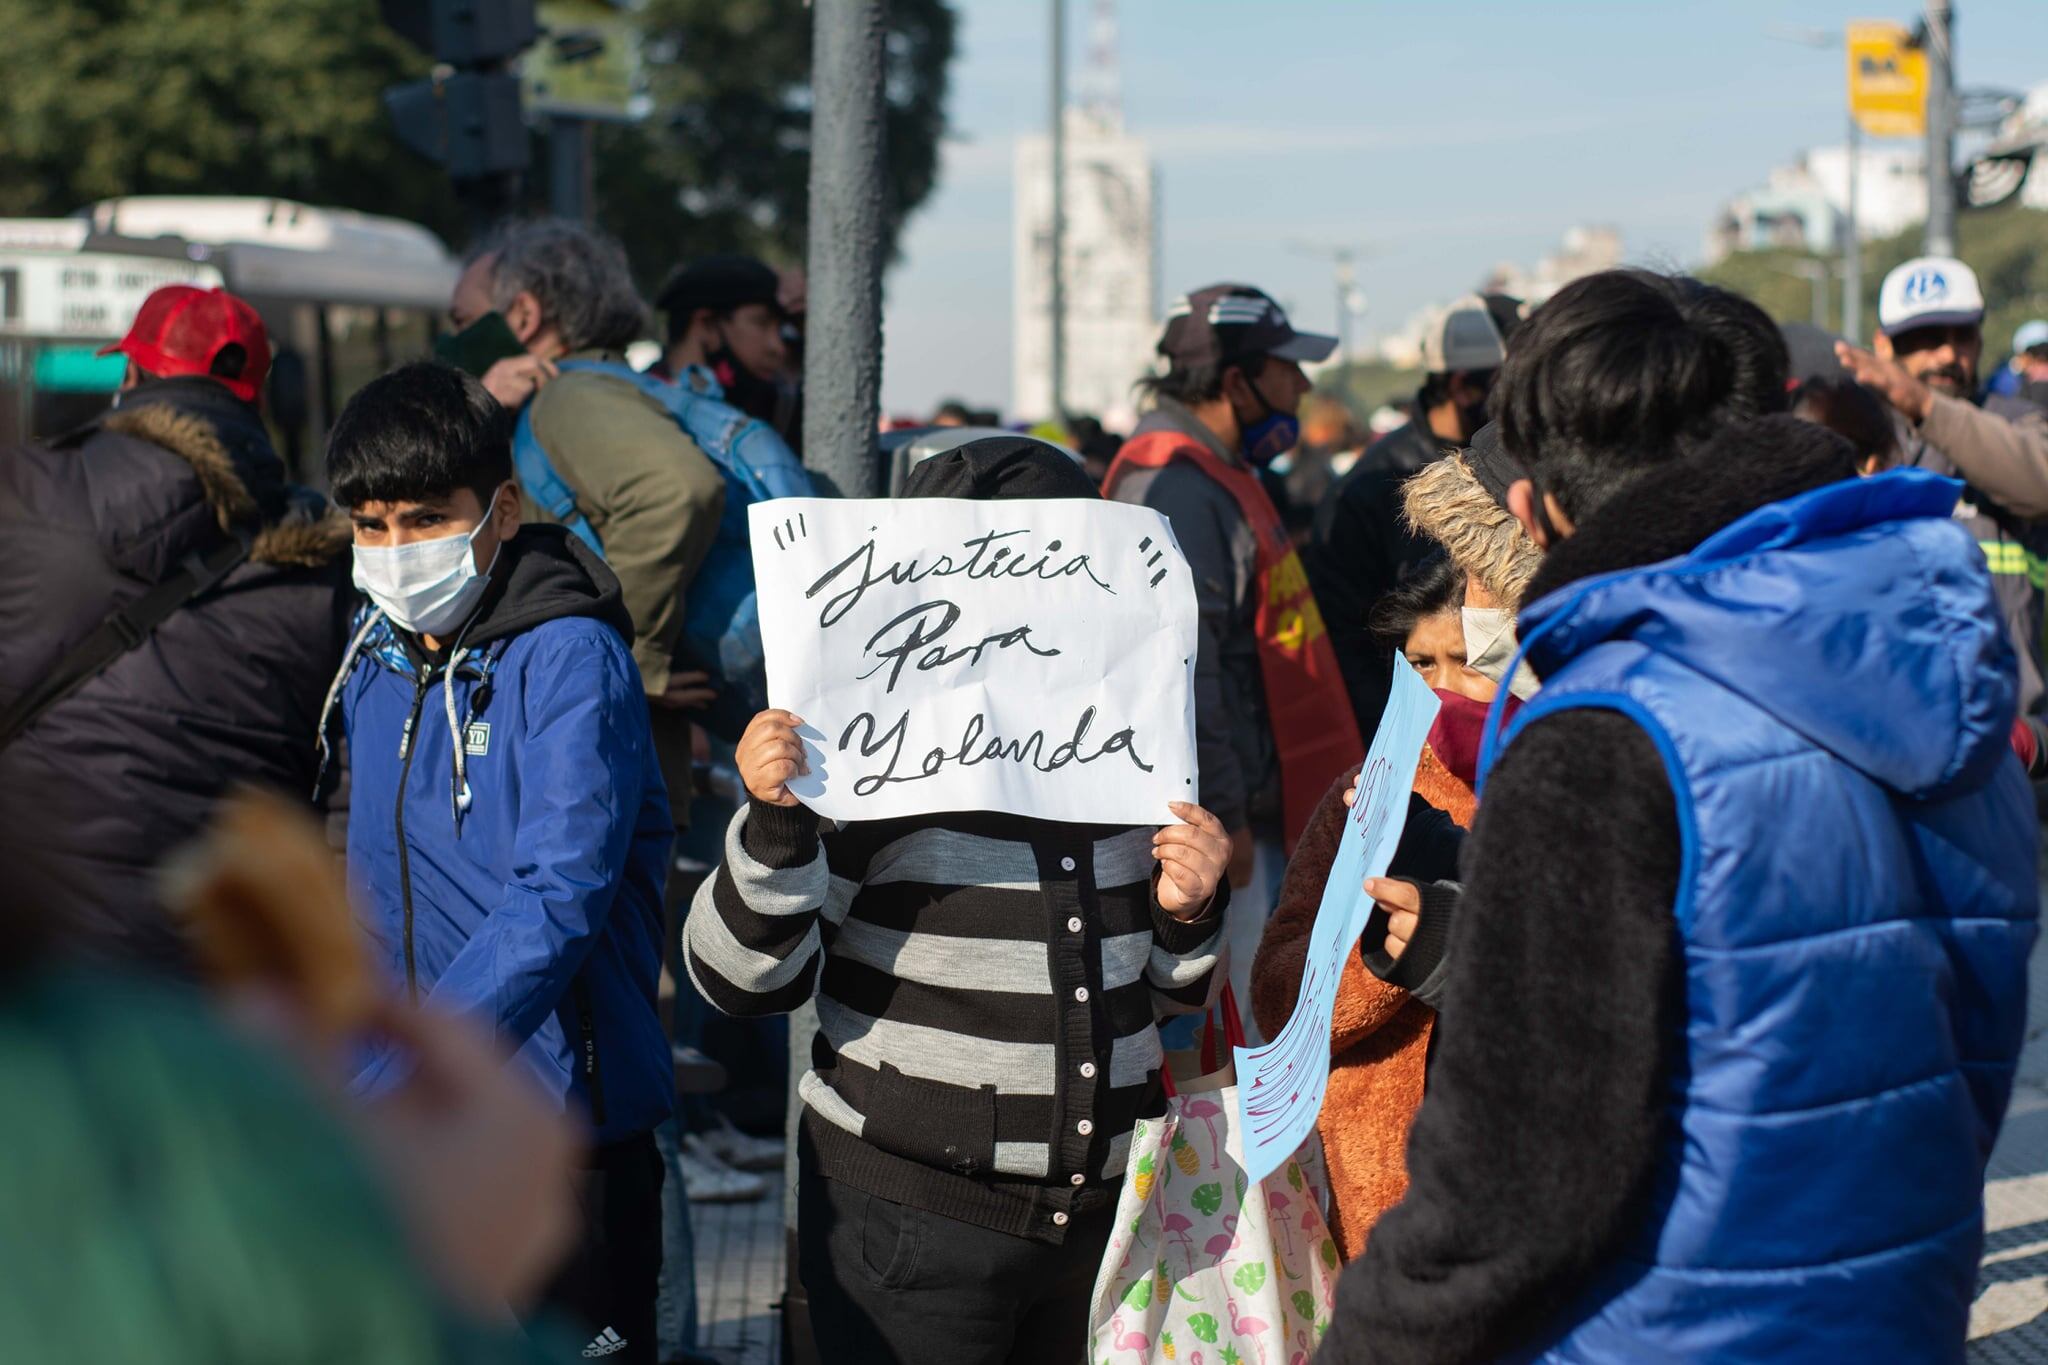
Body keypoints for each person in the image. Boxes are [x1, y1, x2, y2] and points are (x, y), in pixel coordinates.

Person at [1322, 269, 2037, 1364]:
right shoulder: (1948, 677)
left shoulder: (1605, 732)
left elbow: (1519, 1174)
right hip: (1898, 1304)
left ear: (1534, 511)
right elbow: (1963, 1050)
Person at [685, 436, 1233, 1365]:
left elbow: (1170, 998)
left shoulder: (1133, 764)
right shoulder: (868, 759)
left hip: (1099, 1227)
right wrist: (776, 824)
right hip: (911, 1230)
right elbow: (737, 979)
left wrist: (1188, 910)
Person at [319, 362, 676, 1365]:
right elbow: (369, 869)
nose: (395, 549)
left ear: (503, 509)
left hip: (560, 1125)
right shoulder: (374, 647)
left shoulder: (569, 655)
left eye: (427, 518)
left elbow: (559, 892)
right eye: (372, 524)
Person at [0, 284, 351, 973]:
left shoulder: (29, 495)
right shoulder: (322, 560)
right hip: (215, 965)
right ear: (254, 398)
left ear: (129, 376)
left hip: (35, 946)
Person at [1103, 284, 1357, 1041]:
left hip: (1249, 803)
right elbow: (1187, 667)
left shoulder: (1212, 470)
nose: (1303, 387)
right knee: (1232, 1029)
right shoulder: (1176, 480)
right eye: (1287, 368)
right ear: (1236, 379)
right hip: (1221, 826)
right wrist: (1227, 813)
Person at [1248, 556, 1489, 1262]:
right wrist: (1382, 954)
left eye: (1468, 662)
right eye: (1420, 664)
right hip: (1374, 1194)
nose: (1441, 688)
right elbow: (1276, 990)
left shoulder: (1563, 786)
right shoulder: (1360, 796)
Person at [449, 219, 727, 824]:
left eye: (462, 321)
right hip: (597, 757)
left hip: (590, 762)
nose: (453, 339)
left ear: (522, 316)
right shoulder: (608, 390)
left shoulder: (568, 397)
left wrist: (633, 657)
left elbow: (678, 491)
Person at [1836, 256, 2048, 727]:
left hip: (2015, 744)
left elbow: (2038, 482)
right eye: (1927, 339)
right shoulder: (1852, 437)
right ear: (1882, 345)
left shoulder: (2016, 423)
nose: (1948, 356)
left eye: (1962, 336)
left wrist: (1925, 407)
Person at [1306, 294, 1516, 740]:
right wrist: (1395, 741)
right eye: (1503, 384)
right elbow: (1346, 637)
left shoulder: (1514, 464)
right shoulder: (1372, 487)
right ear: (1463, 386)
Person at [652, 254, 791, 424]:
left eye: (780, 329)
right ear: (706, 325)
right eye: (761, 323)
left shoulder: (776, 410)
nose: (778, 347)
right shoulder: (642, 404)